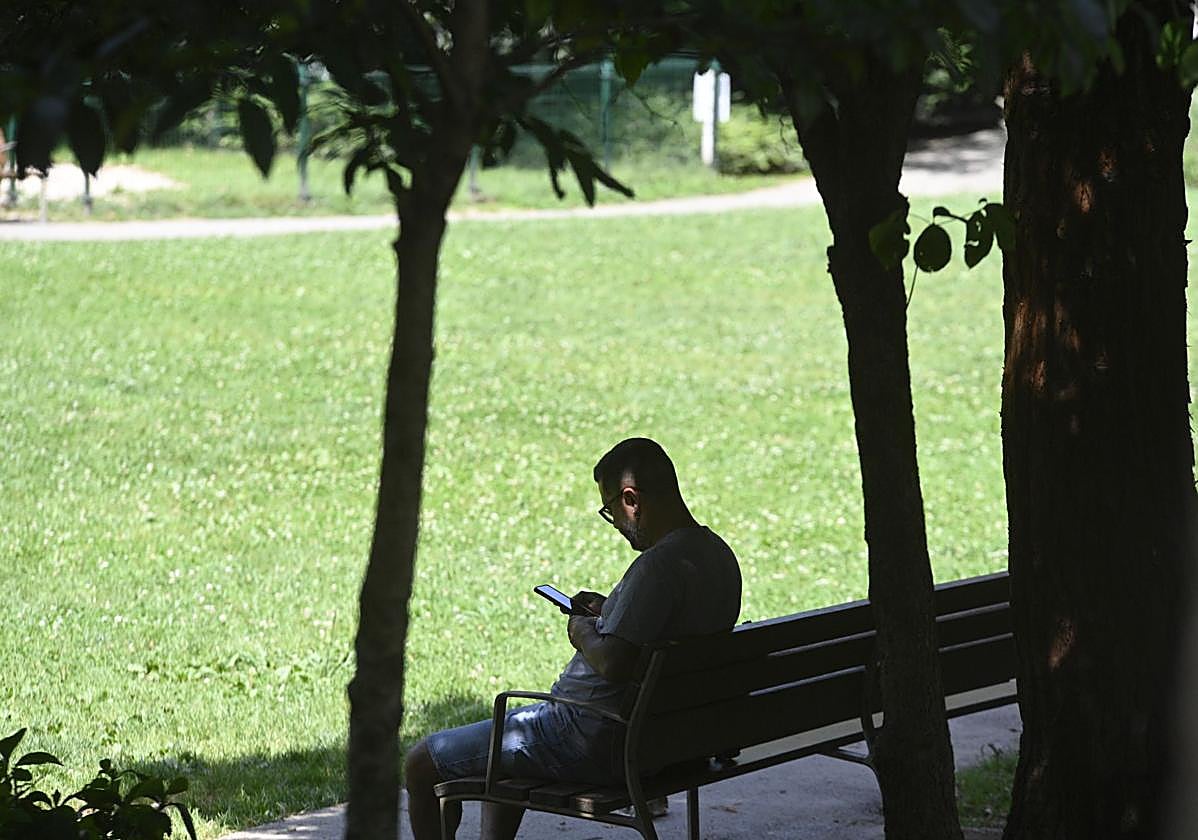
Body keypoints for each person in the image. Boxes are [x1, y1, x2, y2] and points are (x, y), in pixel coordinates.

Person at [404, 437, 742, 840]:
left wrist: (582, 632)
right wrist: (611, 610)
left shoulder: (659, 568)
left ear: (631, 499)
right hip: (672, 738)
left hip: (593, 739)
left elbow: (615, 663)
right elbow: (668, 626)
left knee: (421, 763)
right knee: (507, 745)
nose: (615, 524)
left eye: (610, 510)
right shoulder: (717, 555)